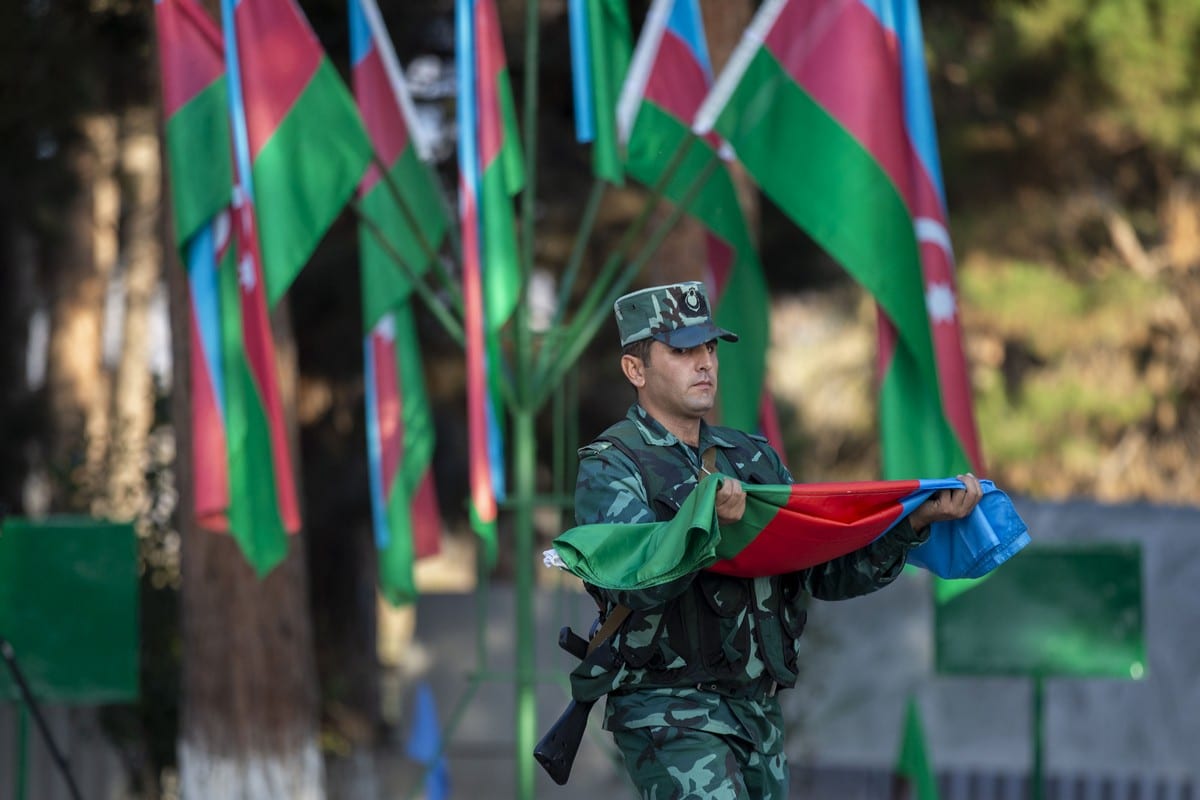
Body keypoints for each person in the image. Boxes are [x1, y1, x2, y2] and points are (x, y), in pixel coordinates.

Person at [571, 280, 982, 799]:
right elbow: (634, 582)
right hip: (669, 712)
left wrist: (911, 525)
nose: (705, 364)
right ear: (635, 369)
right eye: (682, 351)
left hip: (757, 712)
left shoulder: (752, 458)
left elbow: (822, 570)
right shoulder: (612, 466)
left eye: (710, 348)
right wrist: (706, 523)